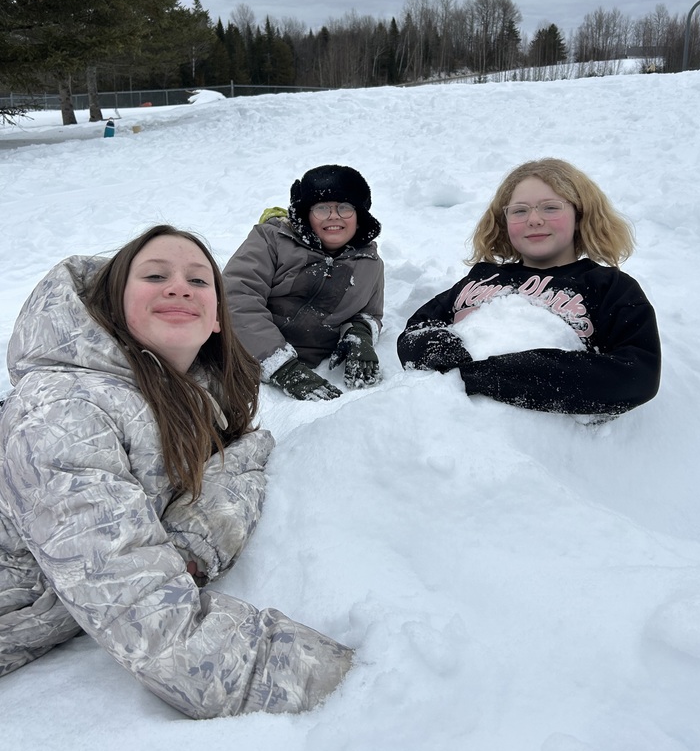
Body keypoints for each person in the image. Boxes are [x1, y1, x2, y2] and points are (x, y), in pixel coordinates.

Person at [0, 225, 352, 719]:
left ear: (215, 319)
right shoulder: (63, 416)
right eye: (155, 275)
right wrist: (350, 689)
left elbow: (241, 456)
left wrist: (185, 545)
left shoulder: (192, 394)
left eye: (199, 280)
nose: (180, 287)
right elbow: (150, 619)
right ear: (111, 305)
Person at [397, 159, 661, 417]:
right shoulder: (482, 277)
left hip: (528, 447)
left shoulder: (609, 286)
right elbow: (415, 330)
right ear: (504, 221)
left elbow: (637, 375)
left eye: (550, 208)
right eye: (520, 210)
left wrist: (496, 374)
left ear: (580, 215)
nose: (534, 220)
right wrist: (439, 350)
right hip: (439, 433)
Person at [224, 164, 384, 401]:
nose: (334, 216)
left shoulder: (370, 264)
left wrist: (359, 334)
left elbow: (369, 314)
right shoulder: (272, 239)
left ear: (359, 216)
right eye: (321, 208)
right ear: (307, 214)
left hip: (314, 371)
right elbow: (235, 296)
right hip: (237, 358)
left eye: (345, 207)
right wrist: (279, 364)